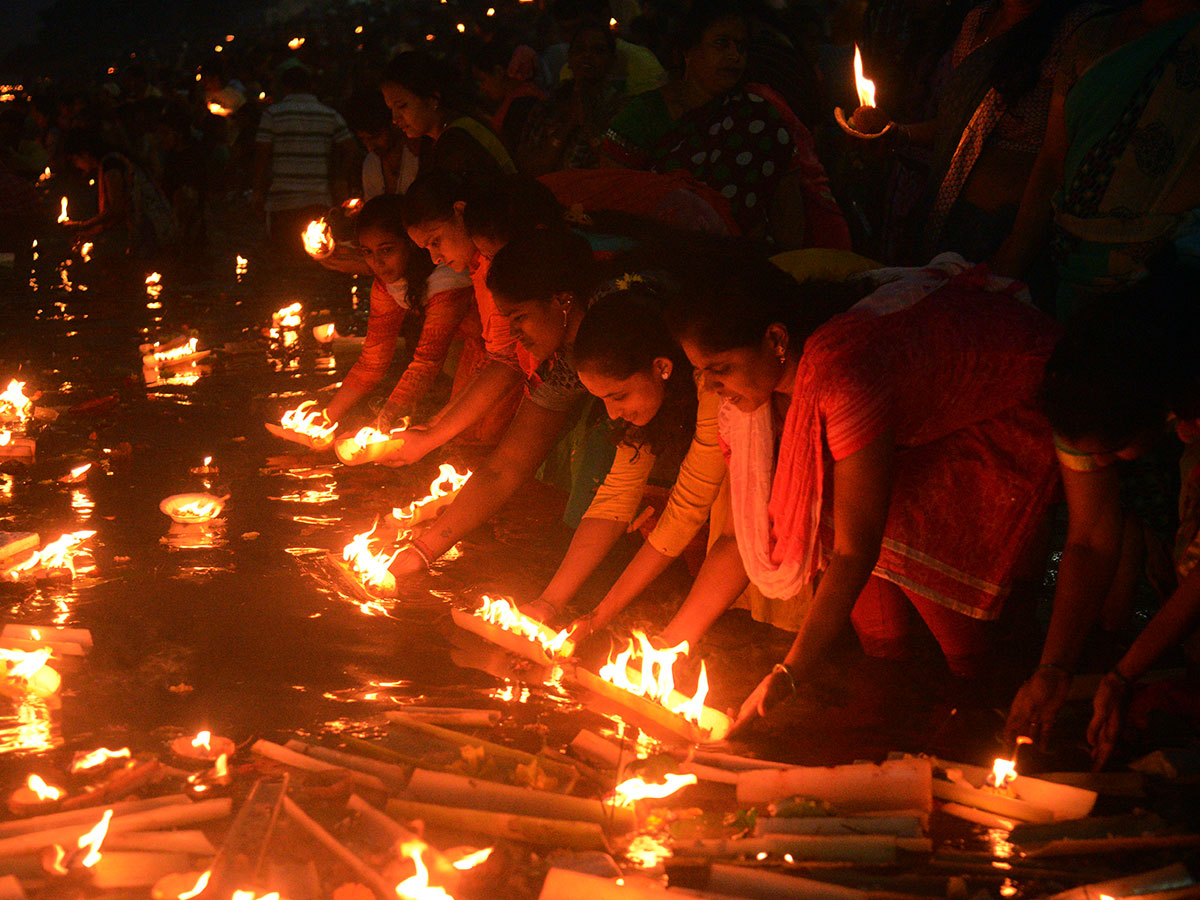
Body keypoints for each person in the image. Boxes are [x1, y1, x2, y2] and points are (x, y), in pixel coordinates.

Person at [662, 249, 1060, 728]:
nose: (708, 387)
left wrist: (789, 672)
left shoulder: (843, 376)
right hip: (911, 425)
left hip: (1011, 405)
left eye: (719, 368)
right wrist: (667, 647)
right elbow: (741, 536)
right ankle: (892, 699)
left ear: (775, 339)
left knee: (961, 643)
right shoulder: (755, 406)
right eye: (700, 370)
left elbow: (856, 548)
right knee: (863, 600)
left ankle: (985, 709)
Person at [1002, 275, 1200, 766]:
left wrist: (1123, 675)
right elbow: (1090, 538)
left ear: (1165, 414)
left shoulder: (1176, 382)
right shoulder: (1080, 391)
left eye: (1112, 452)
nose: (1102, 467)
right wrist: (1052, 668)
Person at [385, 229, 610, 583]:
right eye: (506, 319)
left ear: (562, 301)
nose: (514, 332)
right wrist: (423, 550)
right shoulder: (563, 368)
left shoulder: (626, 326)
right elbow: (504, 467)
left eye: (519, 316)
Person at [522, 286, 727, 637]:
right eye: (601, 399)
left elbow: (689, 504)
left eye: (618, 396)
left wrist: (599, 617)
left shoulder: (713, 383)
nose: (612, 413)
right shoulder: (646, 395)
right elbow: (616, 496)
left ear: (661, 366)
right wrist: (547, 603)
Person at [992, 0, 1200, 316]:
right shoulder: (1091, 36)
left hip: (1165, 288)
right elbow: (1051, 162)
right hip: (1069, 269)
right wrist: (1006, 269)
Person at [848, 0, 1093, 263]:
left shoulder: (1077, 32)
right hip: (946, 216)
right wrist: (896, 133)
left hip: (1009, 229)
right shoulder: (977, 21)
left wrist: (1018, 249)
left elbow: (1055, 159)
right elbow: (959, 127)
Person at [600, 0, 848, 250]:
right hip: (658, 259)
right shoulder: (643, 115)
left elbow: (787, 217)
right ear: (688, 51)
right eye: (721, 43)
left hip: (742, 266)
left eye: (741, 47)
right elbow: (614, 204)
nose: (734, 56)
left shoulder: (759, 117)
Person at [393, 173, 565, 467]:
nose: (435, 258)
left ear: (460, 211)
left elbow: (507, 362)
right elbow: (502, 355)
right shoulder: (482, 261)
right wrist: (436, 423)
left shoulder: (495, 261)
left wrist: (434, 436)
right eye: (427, 249)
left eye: (436, 241)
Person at [320, 195, 487, 438]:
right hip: (478, 353)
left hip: (502, 355)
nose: (377, 263)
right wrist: (326, 418)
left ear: (410, 244)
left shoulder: (448, 280)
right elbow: (371, 363)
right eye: (367, 252)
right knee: (465, 436)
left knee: (479, 437)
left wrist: (380, 426)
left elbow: (426, 363)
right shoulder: (390, 284)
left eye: (387, 250)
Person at [252, 64, 356, 258]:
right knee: (317, 261)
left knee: (282, 263)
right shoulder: (329, 114)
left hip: (282, 202)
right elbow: (350, 148)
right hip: (317, 199)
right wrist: (340, 178)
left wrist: (257, 190)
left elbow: (261, 154)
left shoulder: (273, 114)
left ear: (285, 88)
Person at [381, 51, 516, 183]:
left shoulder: (458, 141)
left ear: (432, 100)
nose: (395, 118)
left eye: (402, 106)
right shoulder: (434, 141)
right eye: (391, 109)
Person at [61, 127, 178, 257]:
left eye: (74, 160)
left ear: (84, 154)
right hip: (151, 225)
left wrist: (82, 225)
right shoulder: (112, 161)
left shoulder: (111, 166)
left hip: (151, 226)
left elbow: (116, 208)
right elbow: (115, 215)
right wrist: (89, 233)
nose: (77, 166)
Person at [473, 42, 546, 154]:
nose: (482, 88)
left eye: (482, 80)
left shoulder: (522, 104)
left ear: (498, 72)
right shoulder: (522, 95)